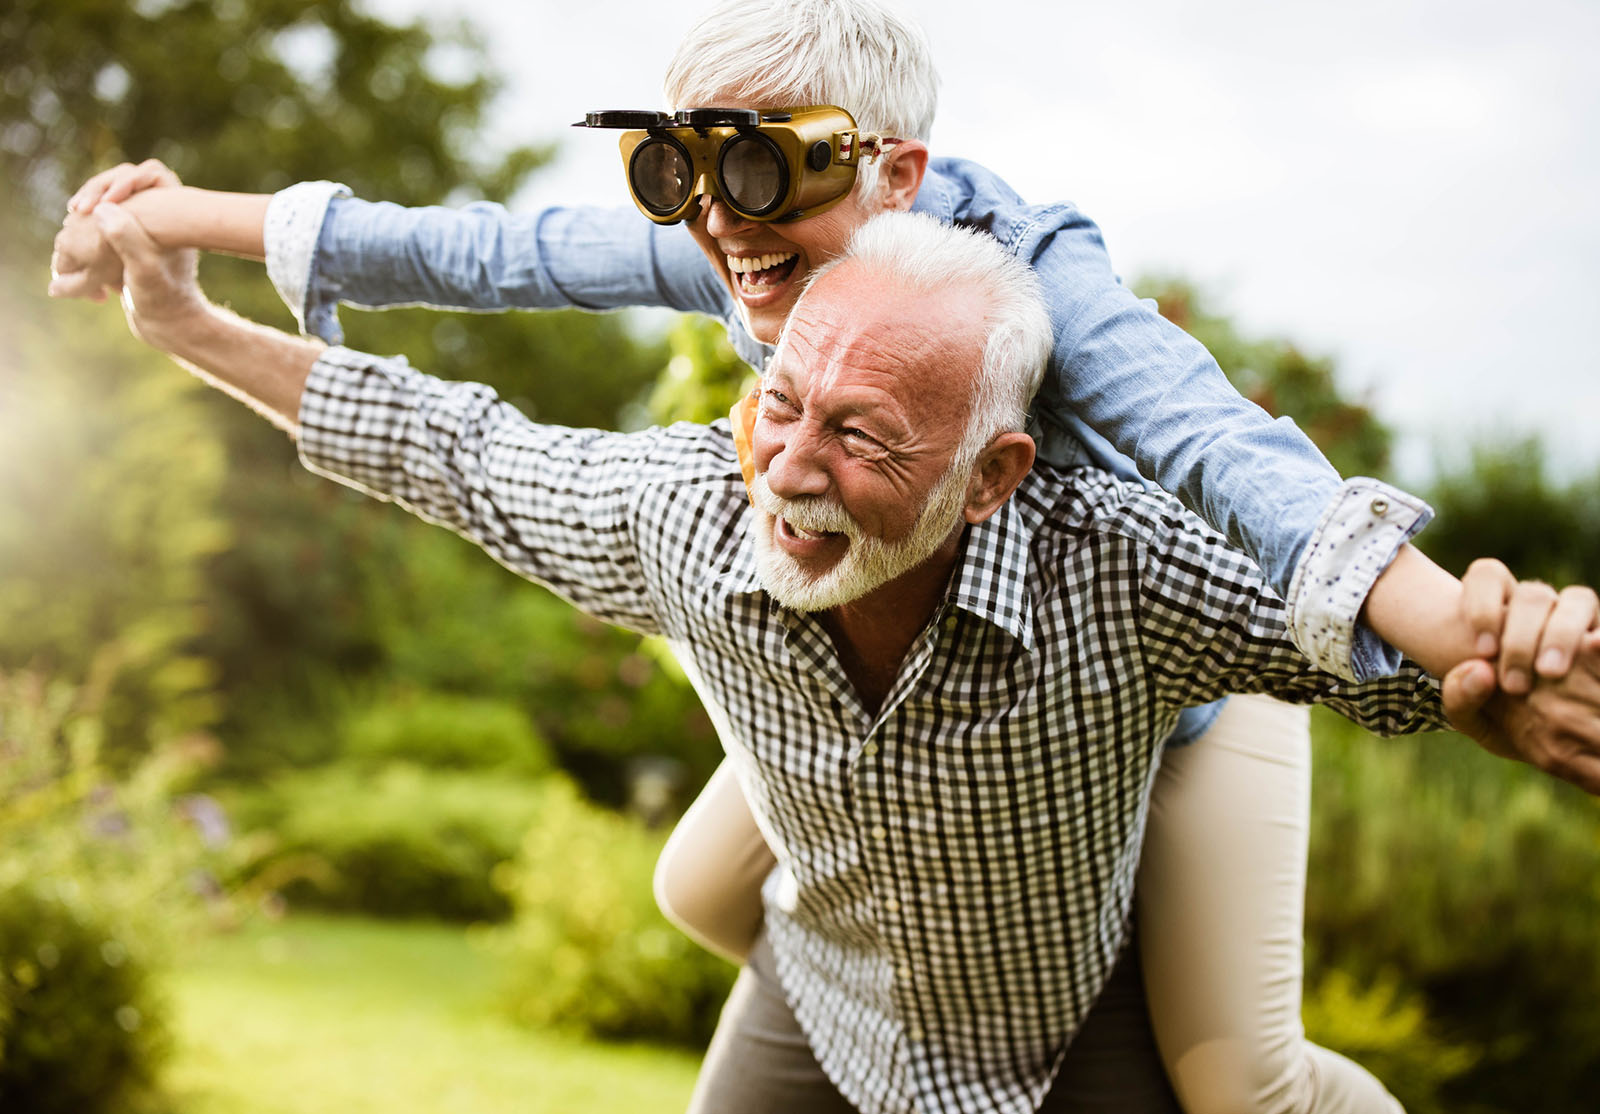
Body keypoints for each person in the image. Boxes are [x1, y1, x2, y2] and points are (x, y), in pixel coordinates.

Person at [46, 4, 1600, 1111]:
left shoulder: (1047, 291)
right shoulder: (729, 293)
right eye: (682, 169)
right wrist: (170, 220)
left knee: (1227, 1071)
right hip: (846, 629)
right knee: (704, 883)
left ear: (895, 173)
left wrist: (1461, 635)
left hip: (1149, 676)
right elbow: (475, 253)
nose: (720, 225)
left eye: (766, 174)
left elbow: (1226, 460)